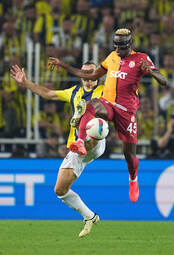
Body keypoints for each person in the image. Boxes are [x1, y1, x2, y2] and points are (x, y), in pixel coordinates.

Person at [48, 28, 168, 203]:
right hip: (109, 104)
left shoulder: (141, 58)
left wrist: (152, 72)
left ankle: (133, 178)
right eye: (116, 45)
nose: (118, 49)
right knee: (89, 106)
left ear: (129, 44)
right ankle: (80, 142)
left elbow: (164, 81)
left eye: (121, 45)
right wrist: (63, 65)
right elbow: (90, 74)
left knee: (129, 155)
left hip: (126, 112)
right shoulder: (111, 57)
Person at [10, 62, 104, 238]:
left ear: (97, 76)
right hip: (77, 150)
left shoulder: (106, 91)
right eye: (84, 73)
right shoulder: (74, 92)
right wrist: (26, 82)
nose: (88, 77)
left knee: (96, 124)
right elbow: (48, 93)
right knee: (60, 190)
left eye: (92, 73)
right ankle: (90, 216)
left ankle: (82, 126)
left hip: (96, 141)